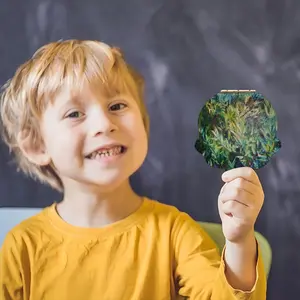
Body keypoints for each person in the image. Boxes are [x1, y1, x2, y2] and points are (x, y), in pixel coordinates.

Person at [0, 40, 266, 300]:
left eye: (117, 106)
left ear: (143, 123)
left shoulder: (174, 232)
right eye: (74, 114)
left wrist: (239, 241)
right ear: (36, 145)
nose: (104, 124)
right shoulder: (22, 246)